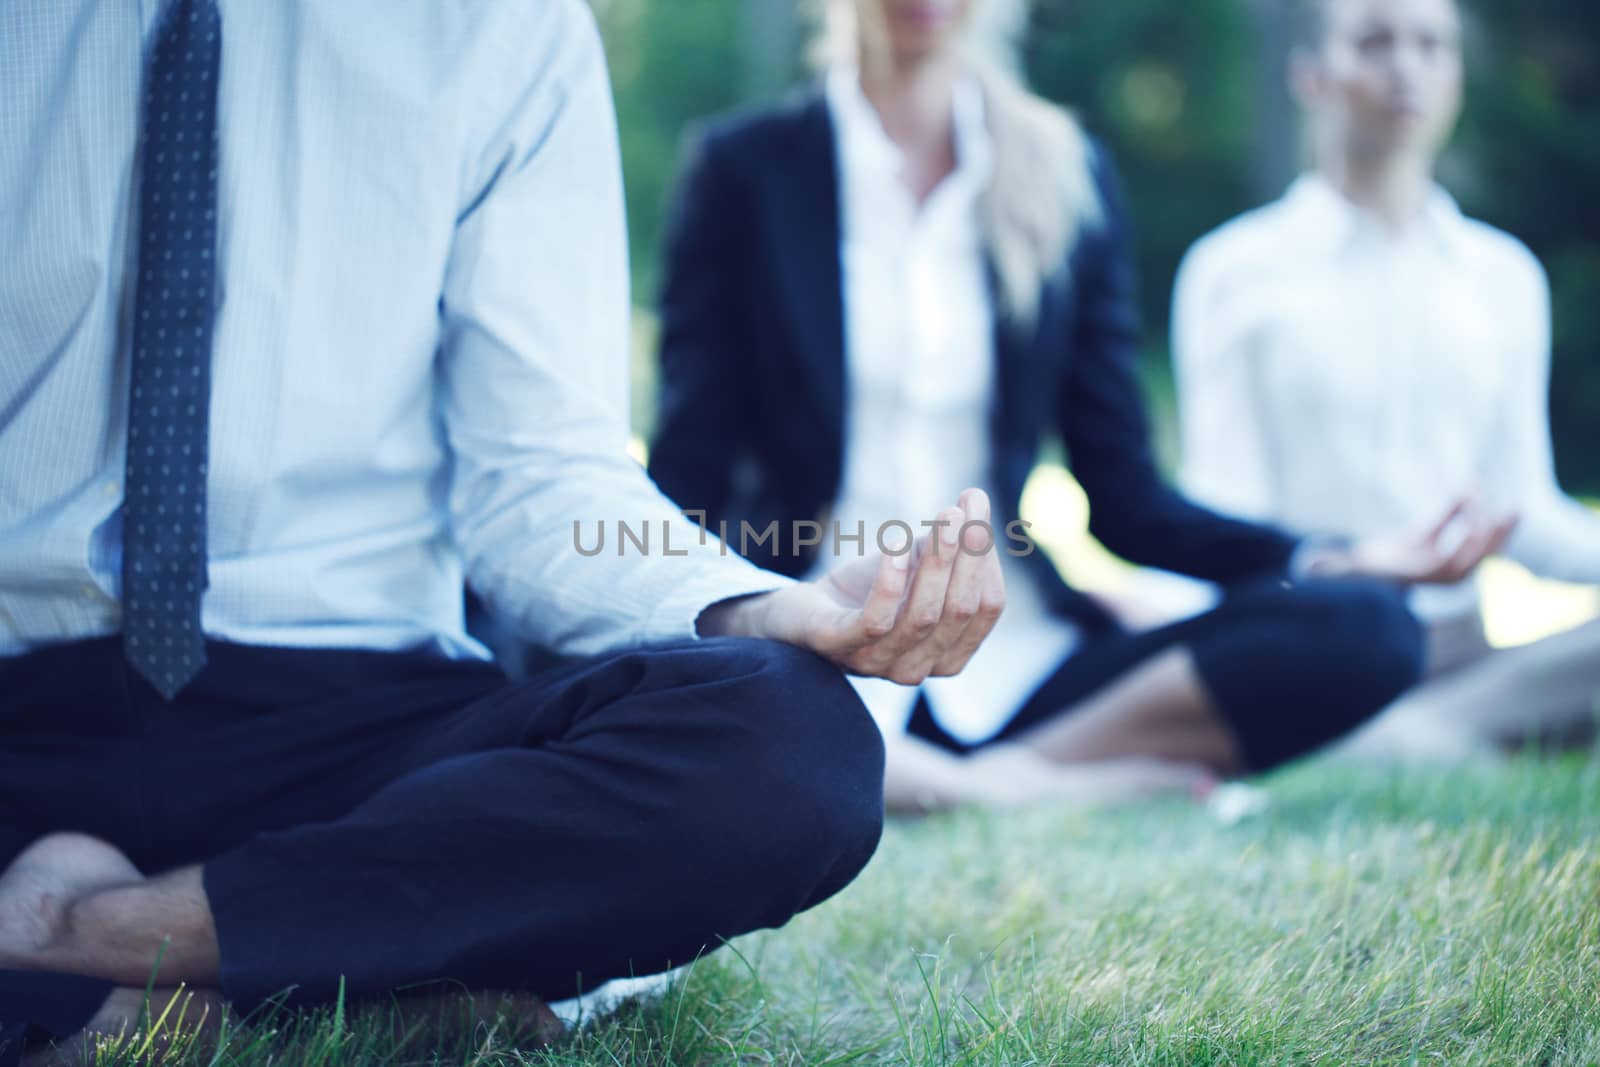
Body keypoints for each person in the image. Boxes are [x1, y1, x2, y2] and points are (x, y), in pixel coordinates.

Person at [0, 0, 1012, 1059]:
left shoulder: (500, 25)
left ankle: (83, 940)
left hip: (354, 733)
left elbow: (542, 473)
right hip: (17, 699)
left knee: (790, 744)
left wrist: (767, 603)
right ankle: (297, 993)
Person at [647, 0, 1512, 815]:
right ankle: (1009, 792)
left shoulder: (1065, 172)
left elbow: (1128, 500)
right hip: (808, 648)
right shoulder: (743, 171)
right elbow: (691, 474)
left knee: (1368, 628)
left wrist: (1340, 555)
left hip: (1021, 665)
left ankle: (983, 773)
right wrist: (723, 619)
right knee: (686, 692)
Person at [1174, 0, 1600, 761]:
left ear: (1458, 76)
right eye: (1374, 42)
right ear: (1311, 74)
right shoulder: (1233, 272)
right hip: (1320, 651)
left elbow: (1523, 511)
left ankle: (1419, 739)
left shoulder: (1503, 277)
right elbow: (1225, 516)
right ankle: (1419, 740)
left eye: (1432, 45)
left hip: (1471, 659)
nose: (1407, 68)